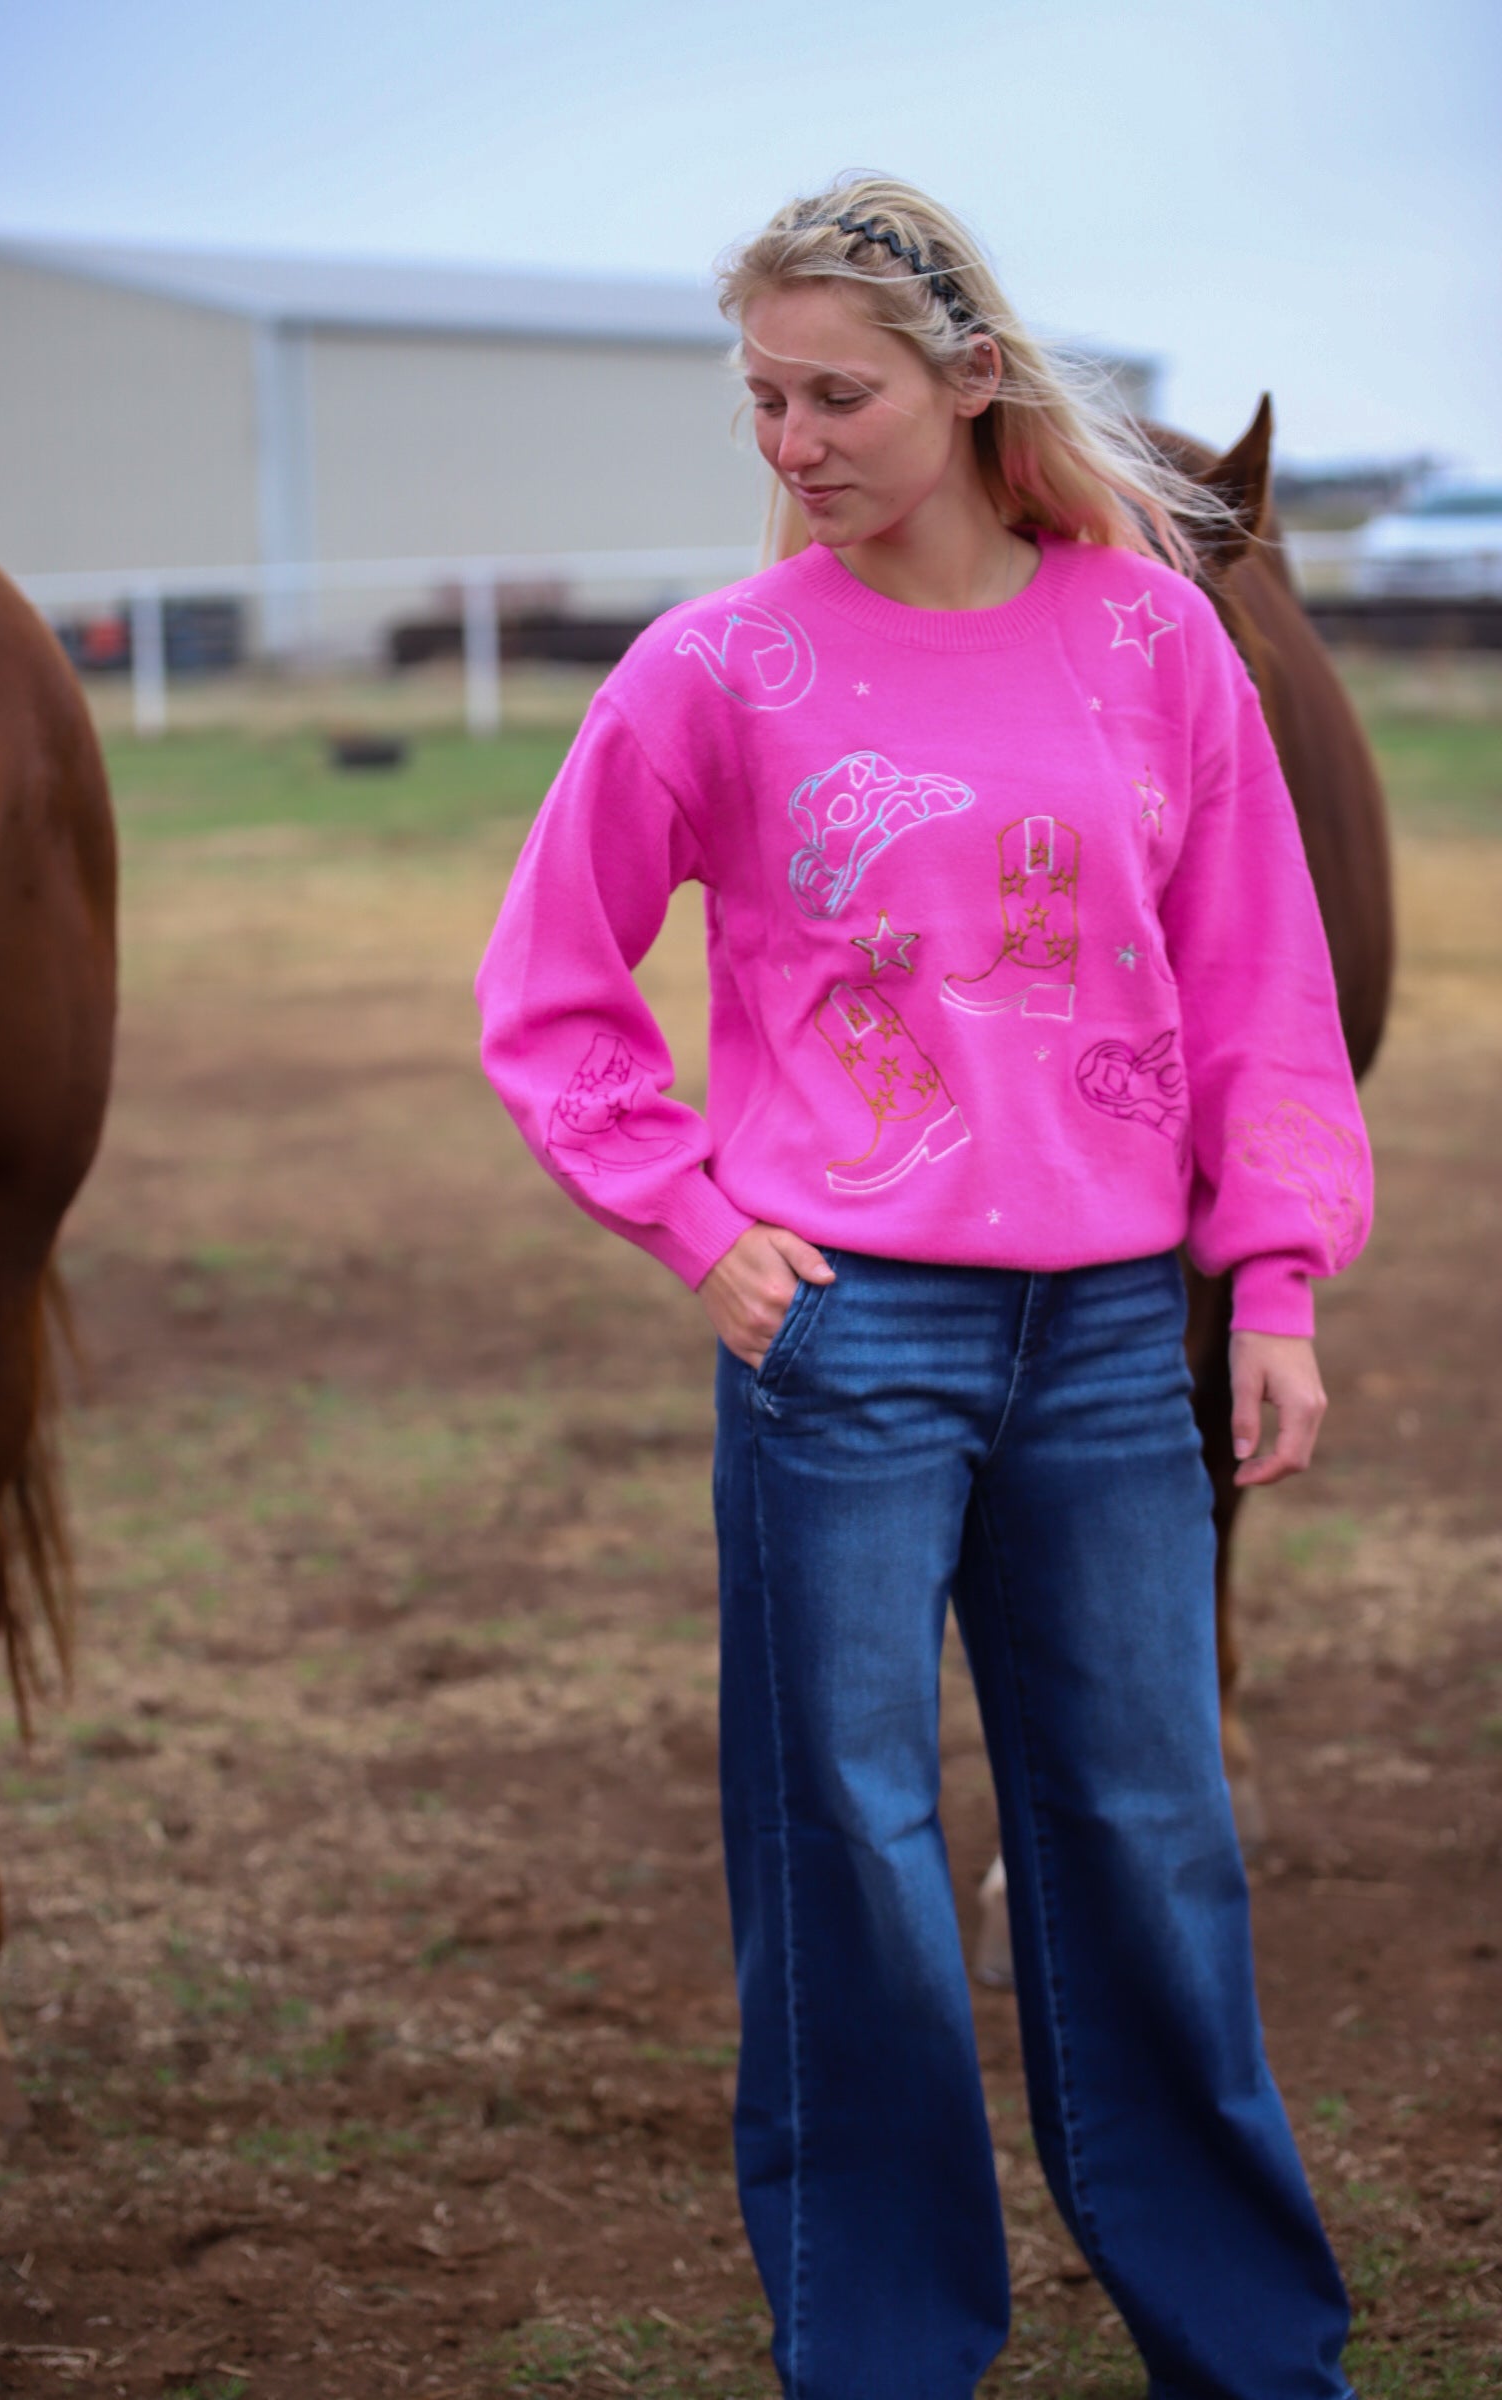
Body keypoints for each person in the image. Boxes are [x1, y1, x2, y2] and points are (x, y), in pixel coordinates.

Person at [475, 173, 1370, 2400]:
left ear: (974, 386)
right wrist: (690, 1217)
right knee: (849, 1860)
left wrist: (1267, 1278)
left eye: (837, 393)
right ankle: (878, 2358)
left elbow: (1256, 980)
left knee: (1150, 1845)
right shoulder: (716, 667)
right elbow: (550, 989)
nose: (792, 438)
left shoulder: (1148, 636)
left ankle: (1251, 2356)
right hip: (839, 1339)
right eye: (762, 396)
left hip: (1096, 1350)